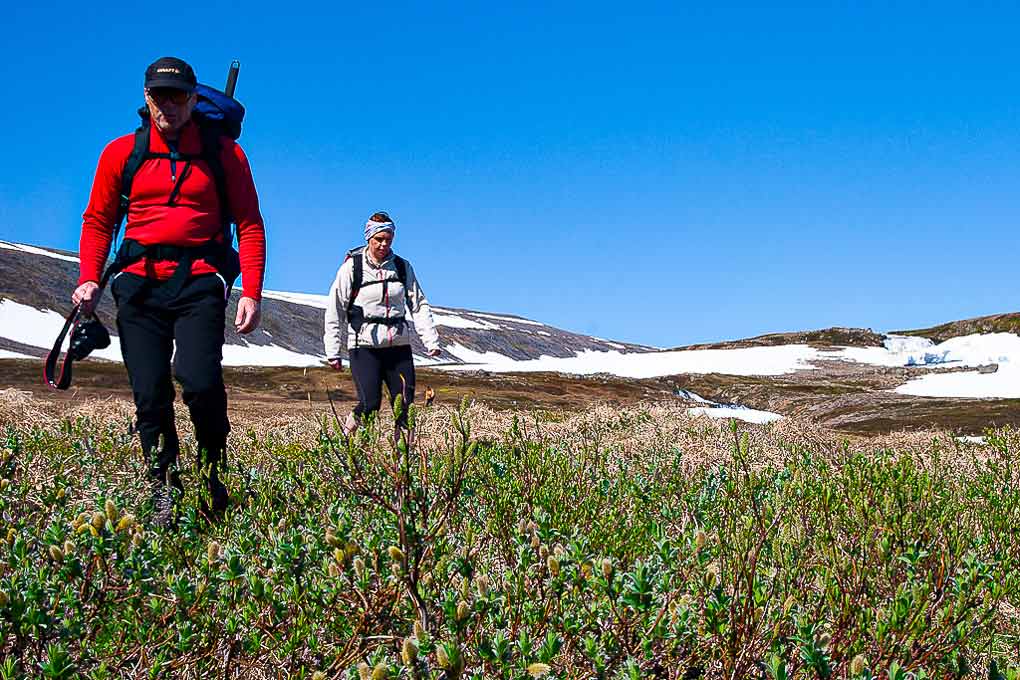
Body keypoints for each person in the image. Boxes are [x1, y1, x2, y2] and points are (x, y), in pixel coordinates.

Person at [72, 57, 266, 525]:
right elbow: (98, 221)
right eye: (160, 96)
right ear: (146, 98)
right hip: (137, 283)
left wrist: (251, 291)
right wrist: (89, 277)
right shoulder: (121, 153)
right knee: (149, 392)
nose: (169, 106)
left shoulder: (226, 155)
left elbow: (250, 223)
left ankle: (212, 473)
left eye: (178, 97)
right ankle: (165, 486)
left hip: (200, 279)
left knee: (199, 380)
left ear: (195, 99)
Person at [324, 212, 441, 436]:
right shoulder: (352, 268)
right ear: (369, 238)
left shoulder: (402, 267)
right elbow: (335, 308)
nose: (384, 244)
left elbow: (418, 304)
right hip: (364, 346)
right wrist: (333, 350)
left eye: (388, 239)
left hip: (398, 346)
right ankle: (348, 441)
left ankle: (402, 460)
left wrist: (430, 340)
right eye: (379, 239)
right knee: (370, 404)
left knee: (405, 404)